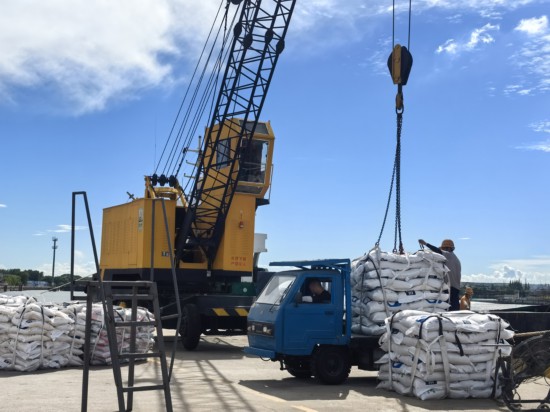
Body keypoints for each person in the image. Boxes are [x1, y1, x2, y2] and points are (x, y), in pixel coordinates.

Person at [418, 238, 462, 311]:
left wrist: (425, 244)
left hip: (449, 288)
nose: (443, 250)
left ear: (448, 248)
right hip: (455, 288)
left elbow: (438, 251)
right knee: (454, 309)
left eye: (444, 248)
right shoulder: (455, 259)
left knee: (447, 309)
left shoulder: (448, 254)